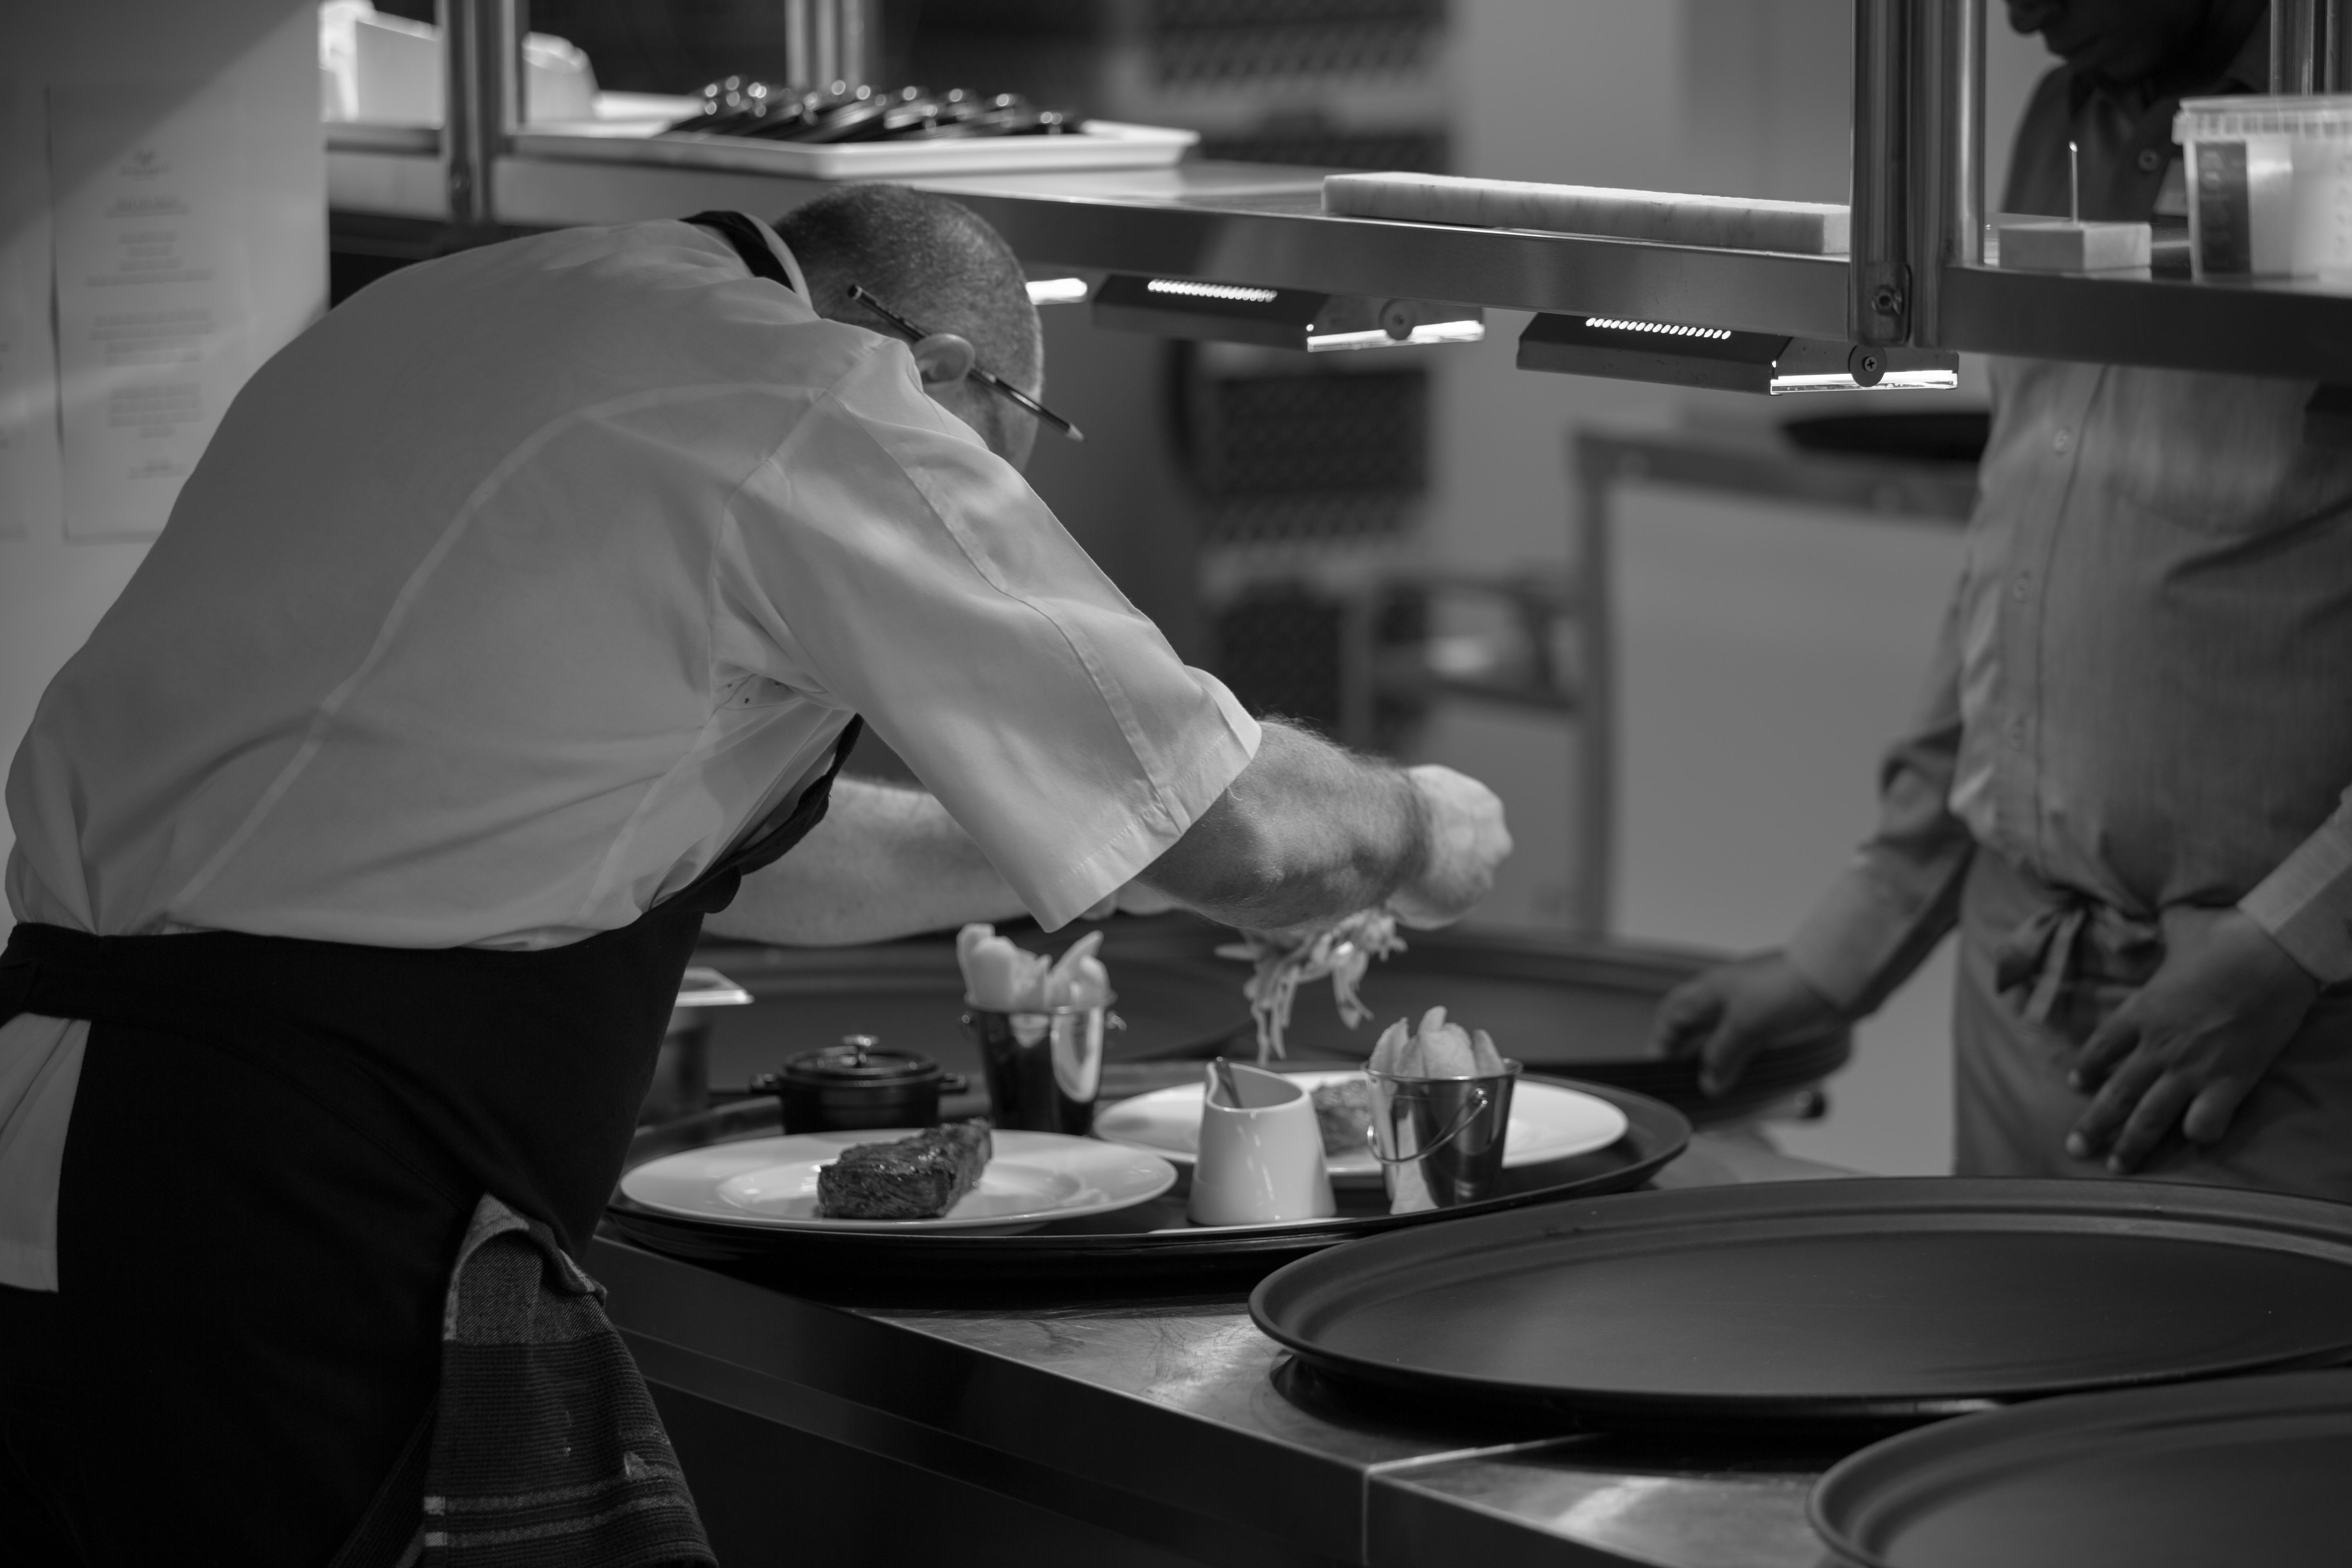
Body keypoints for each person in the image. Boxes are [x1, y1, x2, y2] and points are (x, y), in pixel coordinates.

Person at [0, 187, 1510, 1565]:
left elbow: (690, 852)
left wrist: (1103, 854)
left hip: (65, 1152)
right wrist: (1420, 829)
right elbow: (1248, 833)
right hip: (284, 1220)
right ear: (938, 369)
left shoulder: (464, 312)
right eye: (982, 474)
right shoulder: (805, 398)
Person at [1654, 0, 2352, 1200]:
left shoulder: (2329, 126)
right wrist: (1842, 953)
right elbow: (2023, 553)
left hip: (2273, 1037)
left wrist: (2291, 945)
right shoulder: (2055, 123)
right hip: (2019, 994)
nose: (2023, 19)